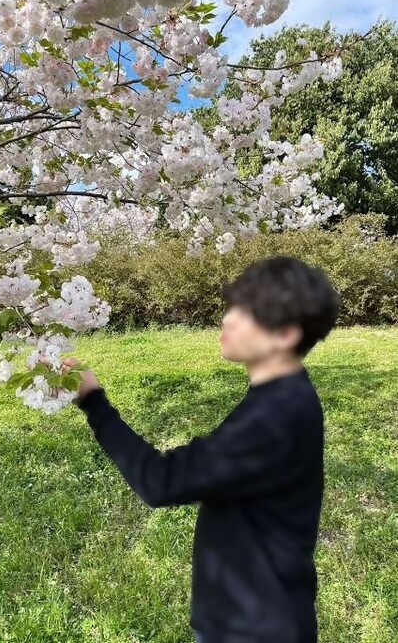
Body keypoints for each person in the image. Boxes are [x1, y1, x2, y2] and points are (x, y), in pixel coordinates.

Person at [57, 256, 341, 643]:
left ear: (285, 334)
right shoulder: (282, 398)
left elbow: (161, 481)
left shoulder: (274, 417)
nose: (227, 320)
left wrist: (93, 401)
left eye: (246, 312)